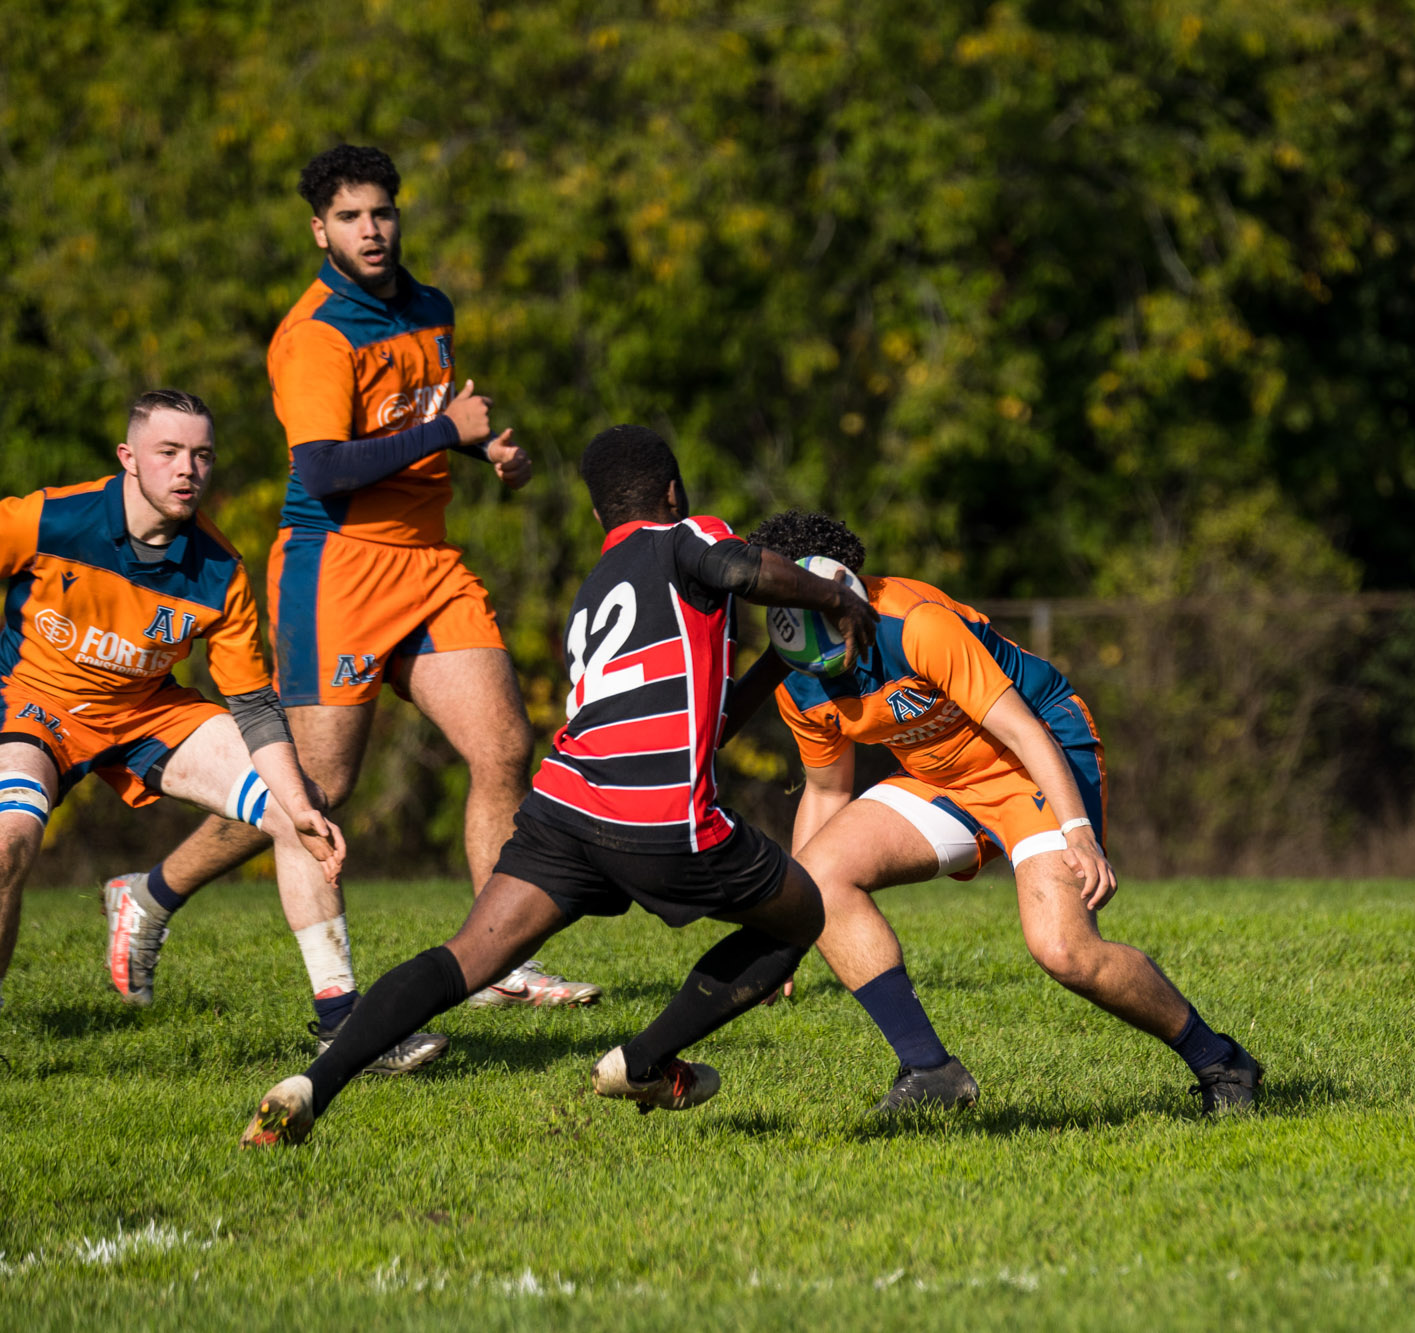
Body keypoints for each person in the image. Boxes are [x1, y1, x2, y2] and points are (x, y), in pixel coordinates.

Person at [240, 426, 877, 1145]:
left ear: (602, 515)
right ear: (673, 494)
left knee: (463, 958)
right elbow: (733, 563)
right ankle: (644, 1060)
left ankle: (311, 1085)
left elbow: (714, 719)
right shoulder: (686, 536)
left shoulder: (596, 589)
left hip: (566, 809)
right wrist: (835, 599)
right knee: (799, 915)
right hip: (659, 815)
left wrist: (781, 660)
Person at [101, 144, 600, 1020]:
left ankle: (499, 958)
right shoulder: (314, 335)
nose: (371, 230)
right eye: (350, 217)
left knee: (505, 749)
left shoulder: (431, 307)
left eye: (382, 212)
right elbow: (327, 470)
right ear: (318, 230)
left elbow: (415, 420)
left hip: (430, 561)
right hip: (338, 567)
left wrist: (488, 449)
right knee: (314, 793)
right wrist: (449, 430)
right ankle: (150, 892)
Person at [733, 510, 1262, 1115]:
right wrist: (790, 922)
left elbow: (1023, 729)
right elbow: (827, 793)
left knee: (1064, 950)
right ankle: (930, 1070)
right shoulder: (794, 678)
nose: (837, 671)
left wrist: (1079, 834)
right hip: (942, 779)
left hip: (1036, 754)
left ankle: (1221, 1062)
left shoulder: (918, 626)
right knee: (819, 879)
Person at [0, 390, 351, 1025]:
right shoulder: (46, 520)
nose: (188, 469)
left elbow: (253, 704)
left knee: (297, 813)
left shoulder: (221, 569)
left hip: (146, 713)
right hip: (34, 703)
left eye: (202, 455)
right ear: (129, 458)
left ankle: (346, 1027)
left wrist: (300, 805)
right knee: (8, 841)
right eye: (169, 452)